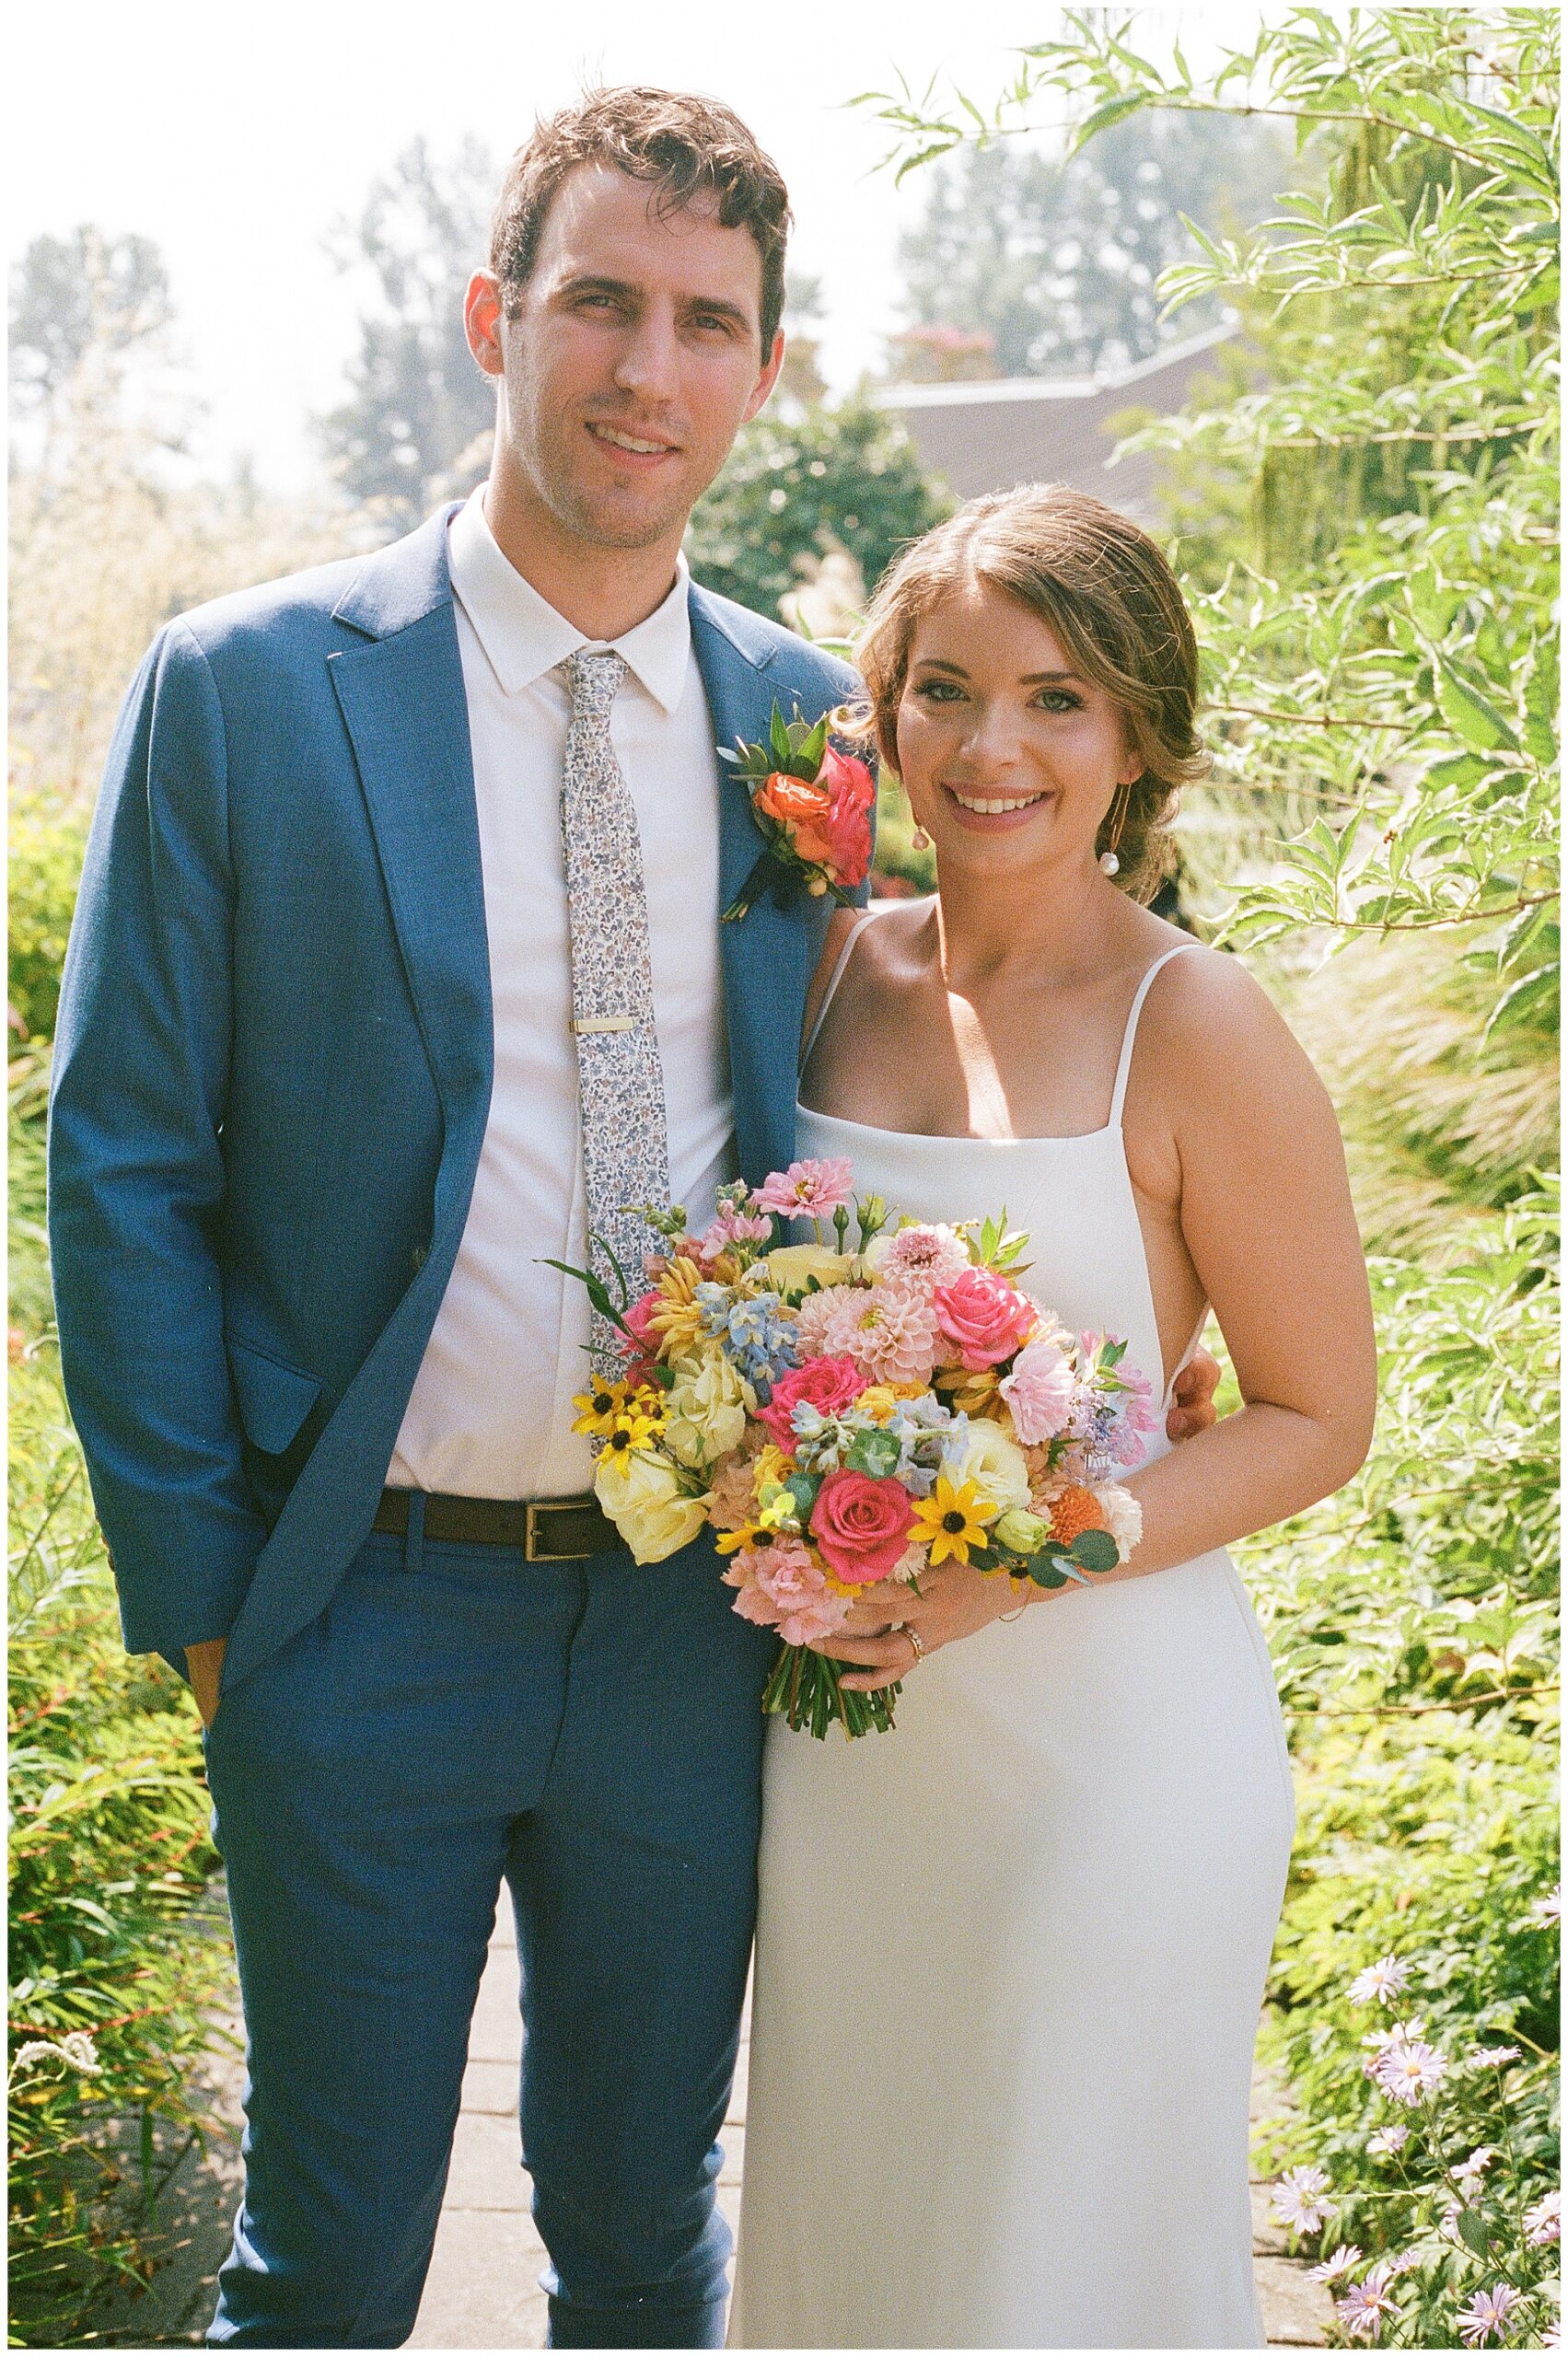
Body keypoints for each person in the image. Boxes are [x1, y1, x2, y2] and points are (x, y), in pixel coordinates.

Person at [48, 86, 1222, 2349]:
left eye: (707, 323)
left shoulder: (805, 722)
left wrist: (1097, 1322)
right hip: (354, 1618)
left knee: (644, 2241)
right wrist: (212, 1614)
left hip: (695, 1635)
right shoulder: (245, 692)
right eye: (600, 300)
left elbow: (910, 1079)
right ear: (499, 314)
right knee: (327, 2268)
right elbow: (123, 1170)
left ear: (763, 373)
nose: (646, 369)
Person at [728, 486, 1377, 2350]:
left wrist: (1028, 1559)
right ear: (885, 714)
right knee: (868, 2249)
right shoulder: (820, 973)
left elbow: (1320, 1411)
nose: (990, 745)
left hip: (1112, 1759)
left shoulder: (1203, 1024)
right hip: (849, 1763)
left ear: (1138, 737)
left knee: (1054, 2261)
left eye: (1056, 698)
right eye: (944, 689)